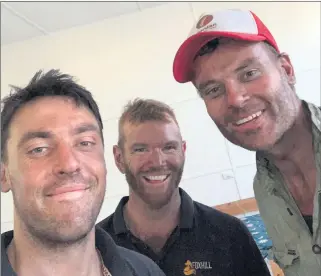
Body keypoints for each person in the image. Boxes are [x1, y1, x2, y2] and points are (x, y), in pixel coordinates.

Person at [172, 8, 321, 276]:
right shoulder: (265, 189)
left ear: (286, 70)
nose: (235, 99)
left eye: (249, 73)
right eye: (214, 90)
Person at [0, 70, 166, 276]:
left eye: (85, 143)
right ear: (3, 174)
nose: (69, 164)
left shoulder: (145, 271)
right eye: (39, 149)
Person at [97, 98, 271, 276]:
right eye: (141, 149)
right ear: (119, 158)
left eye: (169, 147)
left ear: (183, 151)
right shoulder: (94, 249)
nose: (157, 162)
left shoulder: (230, 234)